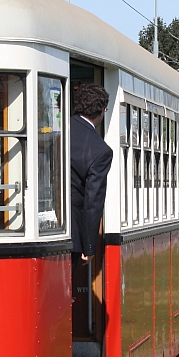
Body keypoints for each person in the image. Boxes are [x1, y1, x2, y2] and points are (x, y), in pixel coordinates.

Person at [70, 83, 113, 262]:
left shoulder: (57, 129)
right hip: (73, 234)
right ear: (102, 110)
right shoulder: (100, 150)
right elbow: (92, 202)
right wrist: (88, 246)